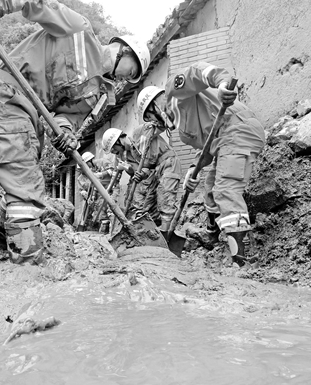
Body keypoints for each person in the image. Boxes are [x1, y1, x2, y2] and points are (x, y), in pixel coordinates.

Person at [0, 0, 150, 264]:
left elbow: (65, 117)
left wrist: (67, 134)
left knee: (21, 177)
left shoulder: (95, 94)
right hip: (6, 95)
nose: (123, 79)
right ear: (122, 49)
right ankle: (26, 264)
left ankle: (3, 243)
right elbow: (30, 0)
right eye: (129, 72)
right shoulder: (78, 32)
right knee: (27, 186)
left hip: (29, 117)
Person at [137, 63, 265, 267]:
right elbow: (206, 149)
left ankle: (241, 261)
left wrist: (222, 83)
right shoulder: (183, 133)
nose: (155, 124)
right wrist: (192, 170)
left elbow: (199, 72)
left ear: (153, 106)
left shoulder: (174, 92)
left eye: (150, 118)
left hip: (238, 129)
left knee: (226, 189)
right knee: (210, 190)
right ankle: (214, 238)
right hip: (223, 142)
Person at [101, 121, 182, 236]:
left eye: (114, 150)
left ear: (117, 141)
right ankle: (157, 232)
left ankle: (167, 236)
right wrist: (140, 174)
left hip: (168, 163)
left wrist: (156, 124)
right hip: (156, 170)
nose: (115, 154)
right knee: (153, 203)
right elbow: (146, 170)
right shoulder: (131, 155)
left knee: (165, 198)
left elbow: (158, 124)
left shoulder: (138, 133)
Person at [76, 151, 114, 233]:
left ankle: (112, 229)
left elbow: (112, 171)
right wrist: (90, 195)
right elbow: (94, 186)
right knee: (100, 212)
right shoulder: (89, 172)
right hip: (100, 193)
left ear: (89, 161)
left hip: (111, 189)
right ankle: (102, 229)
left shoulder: (103, 162)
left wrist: (101, 174)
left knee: (110, 210)